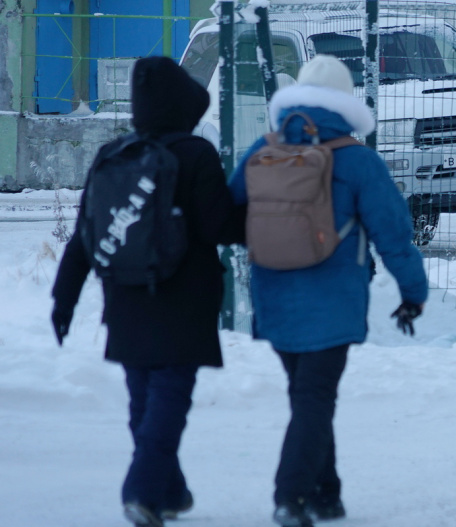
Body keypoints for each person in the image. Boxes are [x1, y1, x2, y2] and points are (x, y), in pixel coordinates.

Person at [227, 54, 429, 526]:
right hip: (334, 298)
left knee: (307, 395)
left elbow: (231, 211)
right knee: (314, 398)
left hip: (272, 292)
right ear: (345, 104)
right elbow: (394, 236)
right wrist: (413, 292)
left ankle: (327, 493)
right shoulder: (359, 161)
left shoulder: (262, 148)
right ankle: (290, 497)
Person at [50, 56, 241, 526]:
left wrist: (64, 299)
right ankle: (141, 492)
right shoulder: (196, 154)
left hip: (126, 297)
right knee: (169, 401)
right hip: (185, 300)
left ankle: (169, 492)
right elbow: (221, 226)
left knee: (143, 402)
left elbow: (84, 236)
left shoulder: (114, 153)